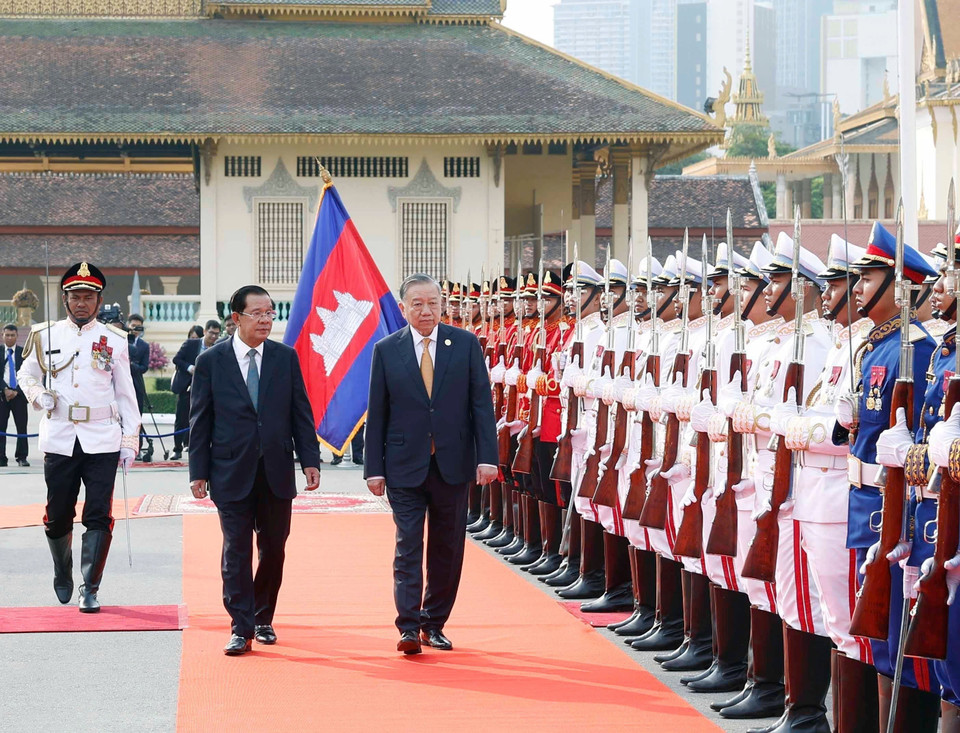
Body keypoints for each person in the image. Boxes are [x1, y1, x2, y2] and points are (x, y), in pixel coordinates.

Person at [365, 273, 498, 655]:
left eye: (433, 303)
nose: (427, 311)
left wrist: (487, 457)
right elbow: (379, 411)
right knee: (408, 544)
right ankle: (407, 626)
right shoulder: (387, 349)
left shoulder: (466, 345)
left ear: (443, 306)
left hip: (453, 464)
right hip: (404, 465)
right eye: (418, 304)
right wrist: (374, 467)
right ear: (403, 307)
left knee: (447, 547)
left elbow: (480, 406)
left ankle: (433, 623)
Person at [188, 285, 320, 656]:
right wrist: (198, 471)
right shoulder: (212, 361)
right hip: (230, 469)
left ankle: (263, 617)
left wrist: (310, 460)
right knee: (236, 550)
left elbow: (300, 412)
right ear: (236, 318)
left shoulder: (284, 357)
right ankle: (240, 625)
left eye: (270, 313)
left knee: (274, 548)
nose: (265, 320)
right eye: (257, 313)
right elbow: (200, 420)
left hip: (276, 468)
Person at [16, 262, 141, 612]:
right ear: (65, 299)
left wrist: (130, 439)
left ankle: (91, 586)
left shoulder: (115, 339)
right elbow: (26, 376)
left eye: (88, 297)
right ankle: (62, 568)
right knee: (58, 514)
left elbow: (126, 392)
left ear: (99, 301)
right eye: (75, 297)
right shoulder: (45, 335)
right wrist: (39, 396)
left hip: (101, 438)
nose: (82, 303)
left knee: (99, 513)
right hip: (59, 437)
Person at [170, 320, 221, 461]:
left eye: (217, 334)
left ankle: (198, 449)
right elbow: (177, 359)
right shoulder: (191, 344)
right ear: (205, 332)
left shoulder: (219, 347)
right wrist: (189, 368)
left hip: (207, 390)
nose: (214, 337)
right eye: (211, 333)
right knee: (181, 419)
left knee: (203, 420)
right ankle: (177, 449)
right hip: (187, 387)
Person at [1, 323, 29, 467]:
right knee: (1, 428)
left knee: (21, 427)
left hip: (19, 396)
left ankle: (22, 457)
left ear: (17, 336)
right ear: (2, 335)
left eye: (12, 335)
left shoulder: (23, 353)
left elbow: (28, 375)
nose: (10, 337)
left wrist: (16, 390)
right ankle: (1, 457)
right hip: (1, 396)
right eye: (7, 335)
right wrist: (4, 389)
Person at [125, 314, 150, 459]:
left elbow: (144, 367)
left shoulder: (144, 346)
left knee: (136, 418)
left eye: (138, 327)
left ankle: (137, 448)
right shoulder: (120, 340)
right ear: (128, 325)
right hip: (119, 384)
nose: (135, 330)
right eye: (133, 326)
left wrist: (131, 365)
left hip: (136, 384)